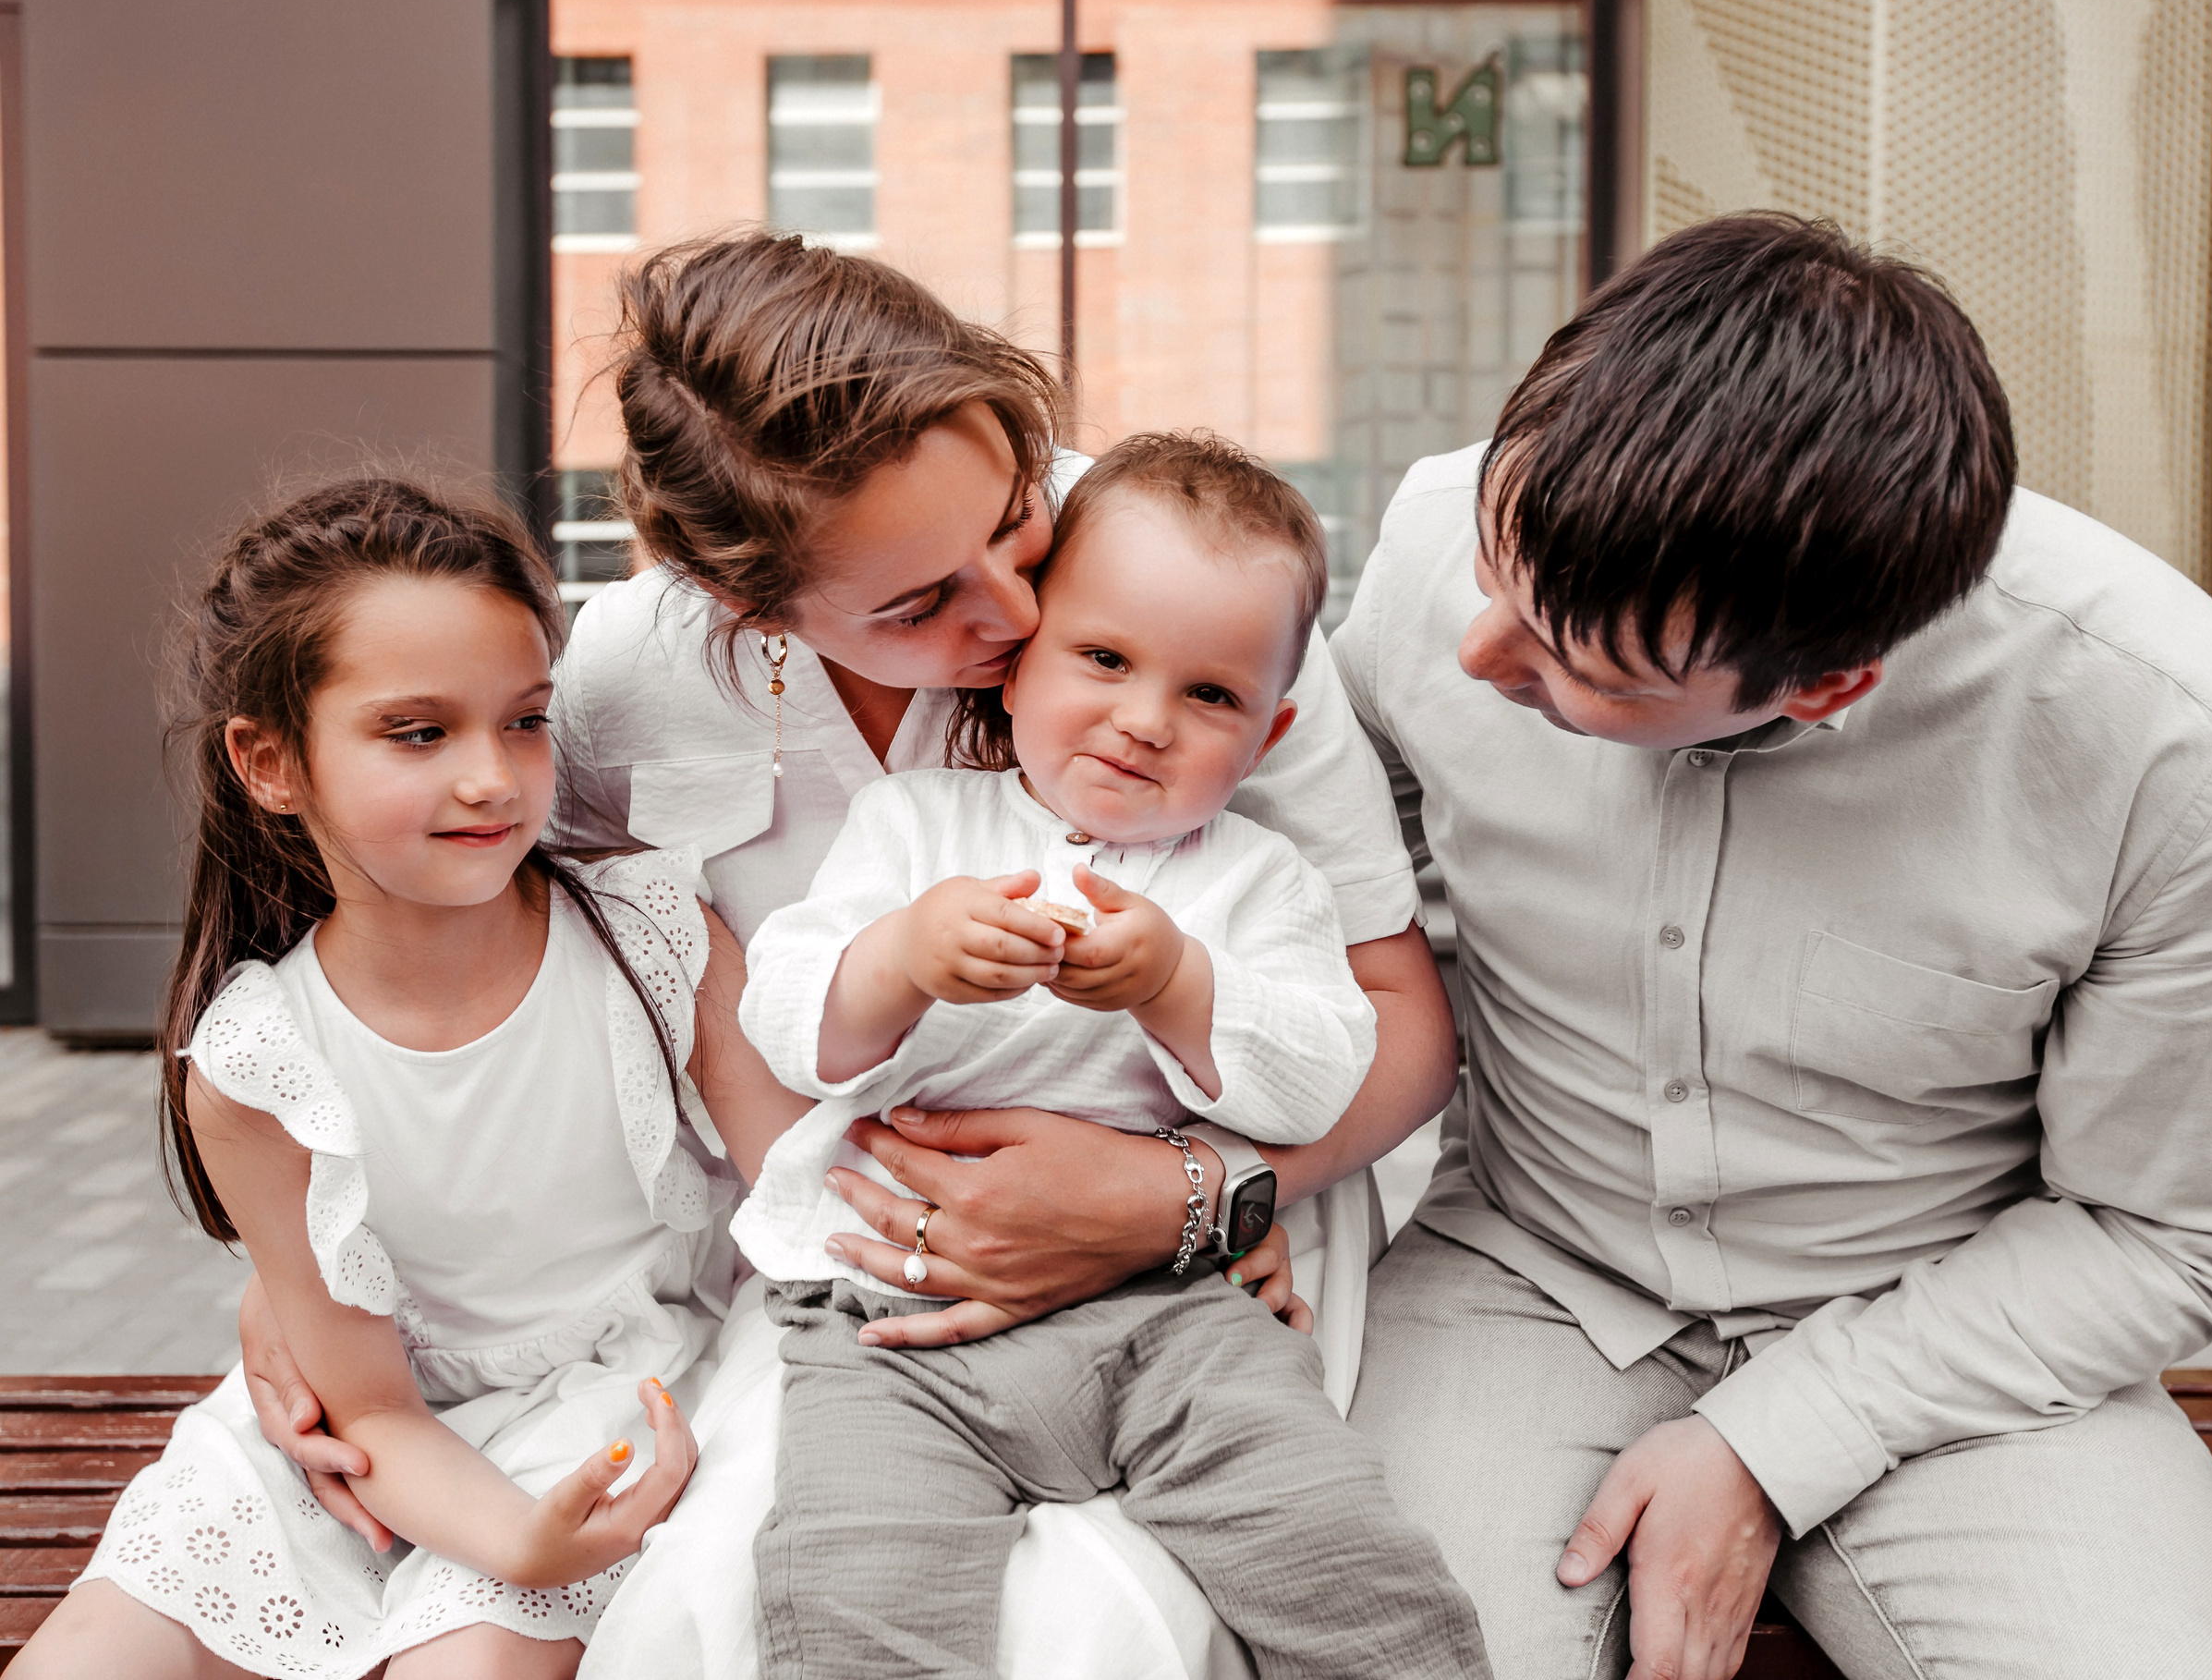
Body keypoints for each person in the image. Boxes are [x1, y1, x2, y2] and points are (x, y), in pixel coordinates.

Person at [235, 234, 1454, 1677]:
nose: (1013, 613)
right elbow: (444, 926)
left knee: (1128, 1619)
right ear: (751, 609)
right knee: (759, 1600)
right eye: (918, 606)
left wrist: (1188, 1197)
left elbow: (1400, 1022)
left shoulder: (1187, 579)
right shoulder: (621, 685)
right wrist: (296, 1279)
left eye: (1016, 519)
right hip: (852, 1257)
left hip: (1213, 1251)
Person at [1336, 213, 2212, 1679]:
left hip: (1958, 1333)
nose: (1478, 656)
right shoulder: (1436, 541)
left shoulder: (2185, 748)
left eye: (1575, 666)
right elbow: (1290, 896)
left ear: (1825, 686)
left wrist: (1774, 1443)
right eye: (1492, 573)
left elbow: (2189, 1230)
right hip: (1524, 1266)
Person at [713, 432, 1485, 1677]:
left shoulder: (1260, 881)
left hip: (1178, 1312)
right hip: (895, 1325)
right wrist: (901, 957)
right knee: (857, 1582)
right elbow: (793, 1023)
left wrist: (1181, 986)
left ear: (1270, 733)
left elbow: (1320, 1078)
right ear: (1015, 672)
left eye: (1211, 696)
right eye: (1106, 661)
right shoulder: (911, 829)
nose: (1144, 722)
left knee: (1337, 1551)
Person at [17, 478, 792, 1680]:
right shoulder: (257, 1060)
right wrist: (507, 1538)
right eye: (420, 733)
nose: (493, 777)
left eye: (524, 721)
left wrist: (531, 1545)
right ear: (270, 762)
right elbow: (369, 1406)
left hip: (606, 1407)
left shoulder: (653, 936)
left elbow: (804, 1197)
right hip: (369, 1437)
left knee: (465, 1664)